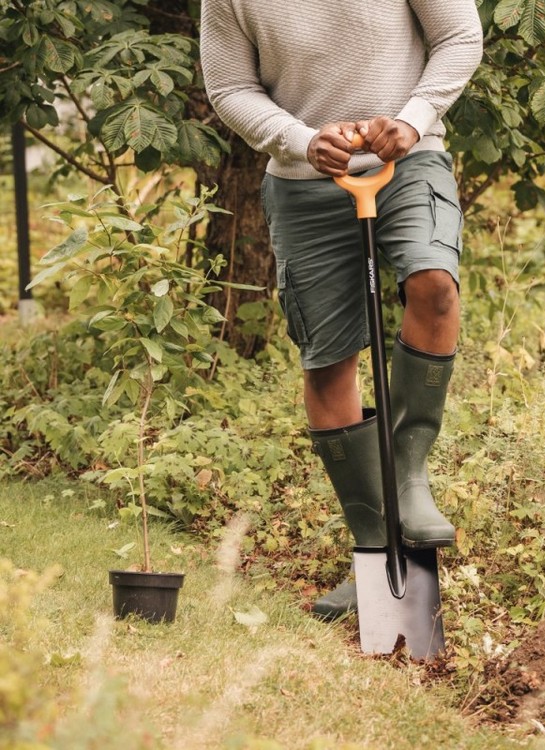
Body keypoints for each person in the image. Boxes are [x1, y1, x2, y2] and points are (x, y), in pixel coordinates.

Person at [200, 1, 484, 619]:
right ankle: (375, 552)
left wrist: (411, 121)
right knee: (328, 361)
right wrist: (301, 140)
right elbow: (229, 87)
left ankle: (408, 474)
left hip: (408, 160)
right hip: (301, 184)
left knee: (434, 283)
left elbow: (460, 35)